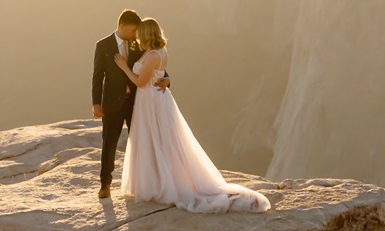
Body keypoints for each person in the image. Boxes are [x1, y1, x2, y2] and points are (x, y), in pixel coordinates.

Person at [113, 17, 271, 214]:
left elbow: (140, 81)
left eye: (140, 34)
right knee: (161, 141)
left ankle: (161, 184)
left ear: (147, 34)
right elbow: (160, 74)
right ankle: (161, 180)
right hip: (156, 100)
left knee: (156, 140)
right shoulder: (159, 51)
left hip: (151, 102)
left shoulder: (153, 55)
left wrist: (124, 67)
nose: (137, 37)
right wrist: (166, 79)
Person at [90, 9, 166, 200]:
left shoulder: (139, 45)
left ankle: (146, 182)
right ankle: (105, 184)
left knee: (141, 142)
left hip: (137, 103)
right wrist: (96, 104)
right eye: (133, 31)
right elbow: (98, 76)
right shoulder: (103, 45)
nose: (136, 35)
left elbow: (156, 65)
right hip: (112, 103)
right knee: (109, 143)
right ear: (121, 26)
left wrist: (168, 79)